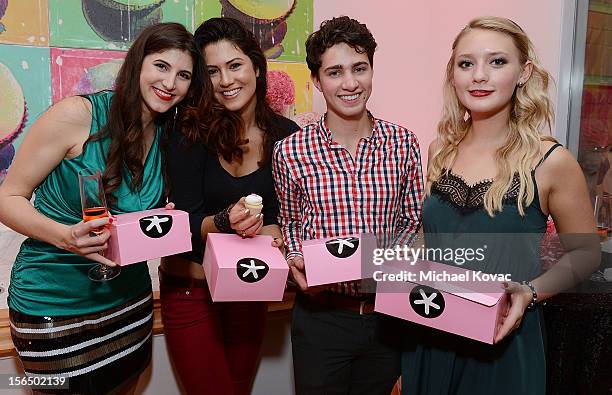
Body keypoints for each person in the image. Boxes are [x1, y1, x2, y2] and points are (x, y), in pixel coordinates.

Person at [400, 16, 599, 394]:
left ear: (523, 73)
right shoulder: (440, 151)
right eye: (466, 63)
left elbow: (586, 253)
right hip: (432, 332)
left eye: (497, 62)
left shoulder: (551, 161)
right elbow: (435, 241)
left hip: (504, 341)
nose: (479, 76)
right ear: (453, 75)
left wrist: (530, 291)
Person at [0, 22, 202, 394]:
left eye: (183, 75)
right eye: (161, 66)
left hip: (129, 301)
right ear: (138, 63)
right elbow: (7, 198)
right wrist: (65, 237)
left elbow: (131, 224)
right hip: (54, 303)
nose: (170, 83)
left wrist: (158, 225)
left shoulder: (166, 136)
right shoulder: (78, 115)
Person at [272, 16, 424, 395]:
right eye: (335, 72)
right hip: (321, 319)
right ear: (317, 80)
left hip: (387, 317)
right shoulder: (290, 151)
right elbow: (290, 221)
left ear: (372, 70)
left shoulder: (403, 143)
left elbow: (410, 219)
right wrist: (293, 257)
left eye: (360, 68)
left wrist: (393, 259)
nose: (350, 83)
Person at [159, 17, 300, 395]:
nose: (226, 81)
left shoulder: (287, 137)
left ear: (256, 65)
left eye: (235, 65)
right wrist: (223, 221)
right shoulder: (187, 132)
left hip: (248, 289)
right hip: (192, 292)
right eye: (213, 72)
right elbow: (181, 224)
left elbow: (289, 217)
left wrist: (278, 233)